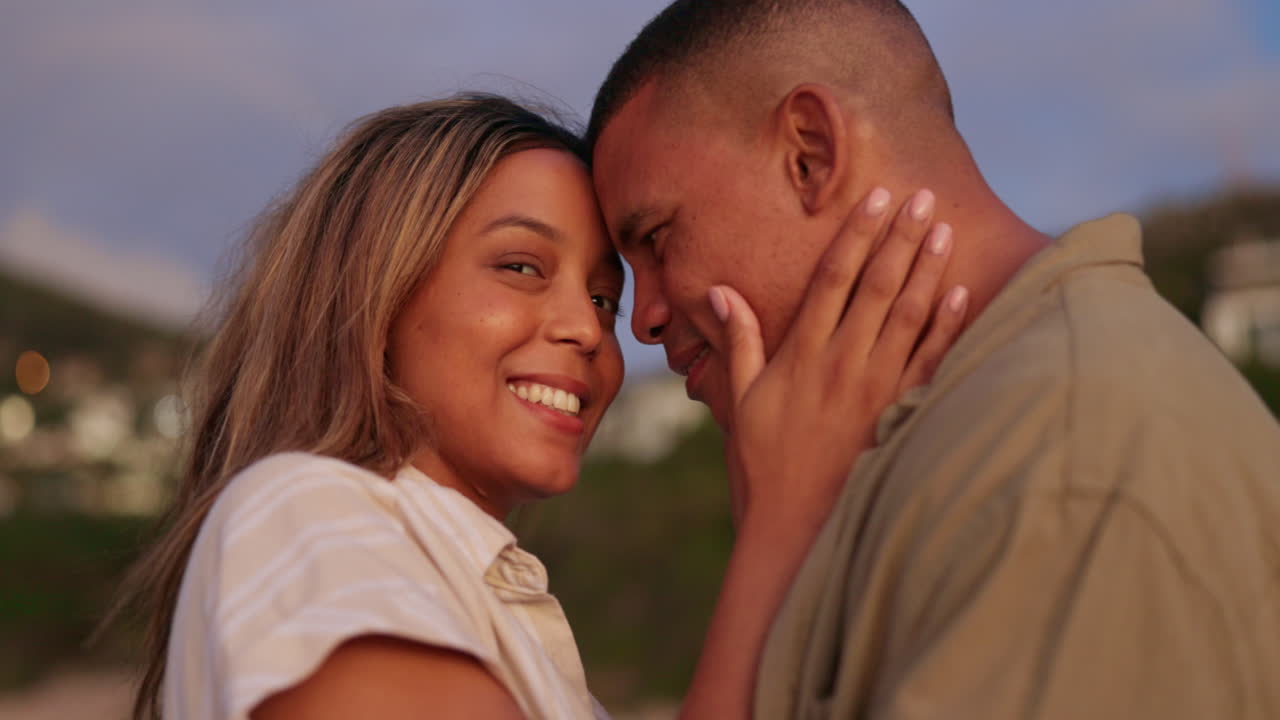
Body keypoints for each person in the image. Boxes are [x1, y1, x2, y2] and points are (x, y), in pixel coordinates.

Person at [111, 95, 966, 719]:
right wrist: (781, 522)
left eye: (603, 298)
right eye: (521, 267)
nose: (589, 330)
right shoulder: (304, 511)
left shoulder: (482, 603)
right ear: (373, 295)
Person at [587, 1, 1280, 718]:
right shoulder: (964, 439)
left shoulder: (1062, 460)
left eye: (658, 240)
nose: (644, 320)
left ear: (810, 154)